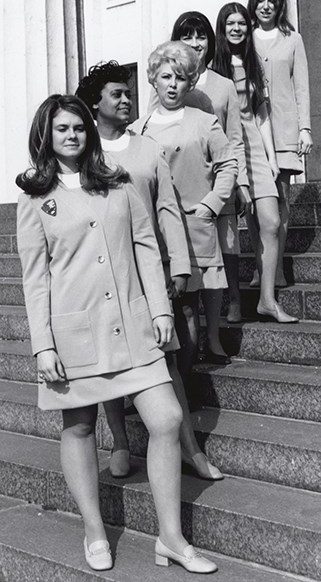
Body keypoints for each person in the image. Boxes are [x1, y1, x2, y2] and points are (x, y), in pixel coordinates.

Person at [16, 94, 217, 574]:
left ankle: (170, 537)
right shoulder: (34, 200)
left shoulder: (118, 181)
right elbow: (35, 279)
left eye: (79, 128)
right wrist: (43, 344)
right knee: (80, 426)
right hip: (73, 334)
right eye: (62, 129)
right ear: (46, 136)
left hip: (134, 326)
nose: (72, 136)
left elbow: (146, 245)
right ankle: (94, 530)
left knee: (167, 419)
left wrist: (160, 308)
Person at [76, 61, 223, 481]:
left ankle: (190, 450)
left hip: (149, 271)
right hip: (102, 274)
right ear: (94, 104)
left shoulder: (147, 147)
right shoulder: (84, 154)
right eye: (116, 94)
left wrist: (178, 264)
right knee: (109, 360)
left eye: (128, 92)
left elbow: (167, 211)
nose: (127, 100)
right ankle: (121, 442)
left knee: (168, 359)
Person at [131, 40, 237, 408]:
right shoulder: (137, 128)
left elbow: (228, 164)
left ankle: (185, 386)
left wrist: (211, 205)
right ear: (153, 81)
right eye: (165, 77)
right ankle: (153, 386)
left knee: (188, 309)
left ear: (190, 82)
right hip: (152, 236)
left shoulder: (204, 121)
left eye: (180, 77)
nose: (173, 85)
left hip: (194, 230)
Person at [149, 11, 252, 327]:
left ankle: (221, 324)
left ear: (211, 39)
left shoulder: (222, 84)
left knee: (225, 252)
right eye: (187, 36)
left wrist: (242, 183)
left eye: (201, 35)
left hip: (216, 178)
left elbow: (234, 137)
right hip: (181, 184)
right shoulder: (166, 80)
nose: (195, 42)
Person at [213, 3, 298, 323]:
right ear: (222, 28)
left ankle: (267, 300)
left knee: (272, 222)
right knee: (238, 227)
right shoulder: (213, 68)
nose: (237, 28)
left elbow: (261, 114)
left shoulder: (253, 64)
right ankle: (235, 301)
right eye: (230, 23)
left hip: (257, 153)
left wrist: (272, 157)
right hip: (228, 153)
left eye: (242, 24)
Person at [247, 0, 313, 287]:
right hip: (253, 130)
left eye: (271, 0)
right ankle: (261, 264)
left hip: (284, 128)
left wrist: (305, 128)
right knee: (256, 200)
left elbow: (302, 86)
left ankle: (276, 269)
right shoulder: (246, 38)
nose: (265, 6)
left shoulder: (292, 39)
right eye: (260, 0)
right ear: (253, 3)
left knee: (282, 197)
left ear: (279, 5)